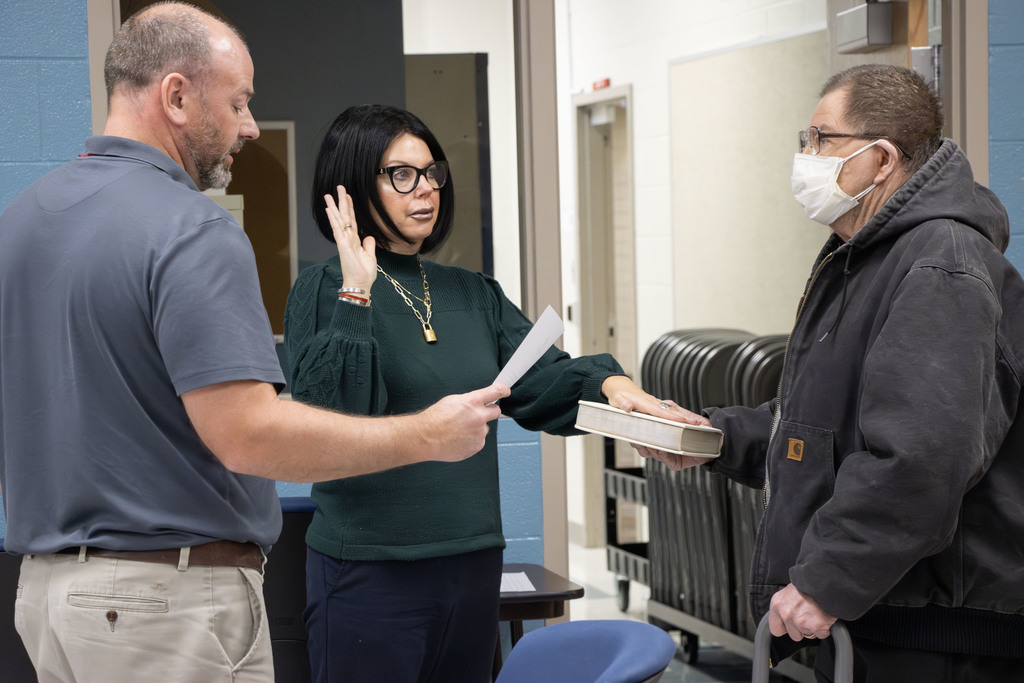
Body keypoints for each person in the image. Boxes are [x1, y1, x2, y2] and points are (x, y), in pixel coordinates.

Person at [0, 4, 508, 682]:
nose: (249, 126)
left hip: (47, 601)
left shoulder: (23, 220)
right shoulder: (190, 228)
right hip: (164, 610)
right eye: (238, 102)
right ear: (176, 96)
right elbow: (249, 434)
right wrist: (425, 435)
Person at [283, 103, 691, 683]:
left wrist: (618, 388)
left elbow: (545, 380)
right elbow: (332, 418)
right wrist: (357, 290)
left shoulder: (473, 293)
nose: (425, 190)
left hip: (472, 566)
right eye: (402, 175)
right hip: (371, 572)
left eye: (432, 173)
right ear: (350, 188)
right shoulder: (321, 290)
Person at [641, 64, 1024, 682]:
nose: (805, 155)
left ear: (881, 159)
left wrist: (827, 581)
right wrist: (708, 436)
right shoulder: (871, 259)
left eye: (821, 139)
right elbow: (827, 425)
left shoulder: (940, 268)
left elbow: (920, 458)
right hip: (883, 613)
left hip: (938, 638)